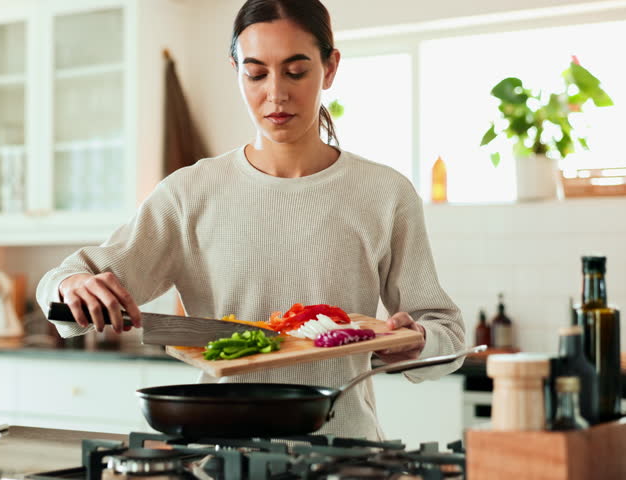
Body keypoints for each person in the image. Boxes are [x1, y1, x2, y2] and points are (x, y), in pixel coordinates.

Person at [36, 0, 464, 440]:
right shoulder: (190, 192)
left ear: (330, 68)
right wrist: (71, 287)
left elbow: (447, 334)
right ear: (236, 71)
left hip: (345, 452)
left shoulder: (385, 192)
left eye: (296, 71)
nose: (275, 93)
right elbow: (63, 283)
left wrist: (415, 342)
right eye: (256, 73)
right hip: (223, 450)